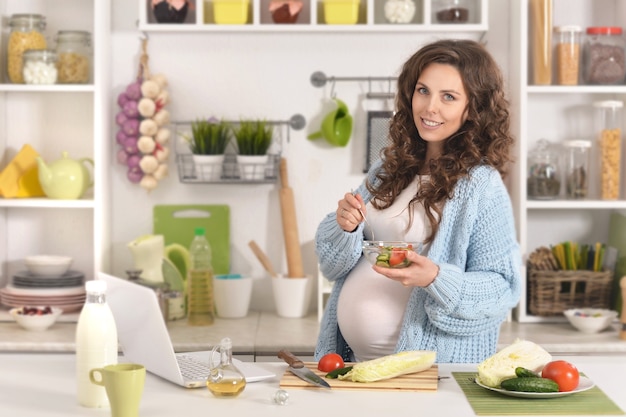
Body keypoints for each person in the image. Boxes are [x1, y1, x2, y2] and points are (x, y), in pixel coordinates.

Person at [314, 39, 522, 364]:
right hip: (356, 364)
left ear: (473, 109)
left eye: (448, 97)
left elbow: (501, 288)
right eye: (423, 91)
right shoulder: (388, 169)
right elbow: (331, 265)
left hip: (427, 372)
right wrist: (344, 226)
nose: (429, 107)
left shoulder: (481, 185)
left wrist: (435, 278)